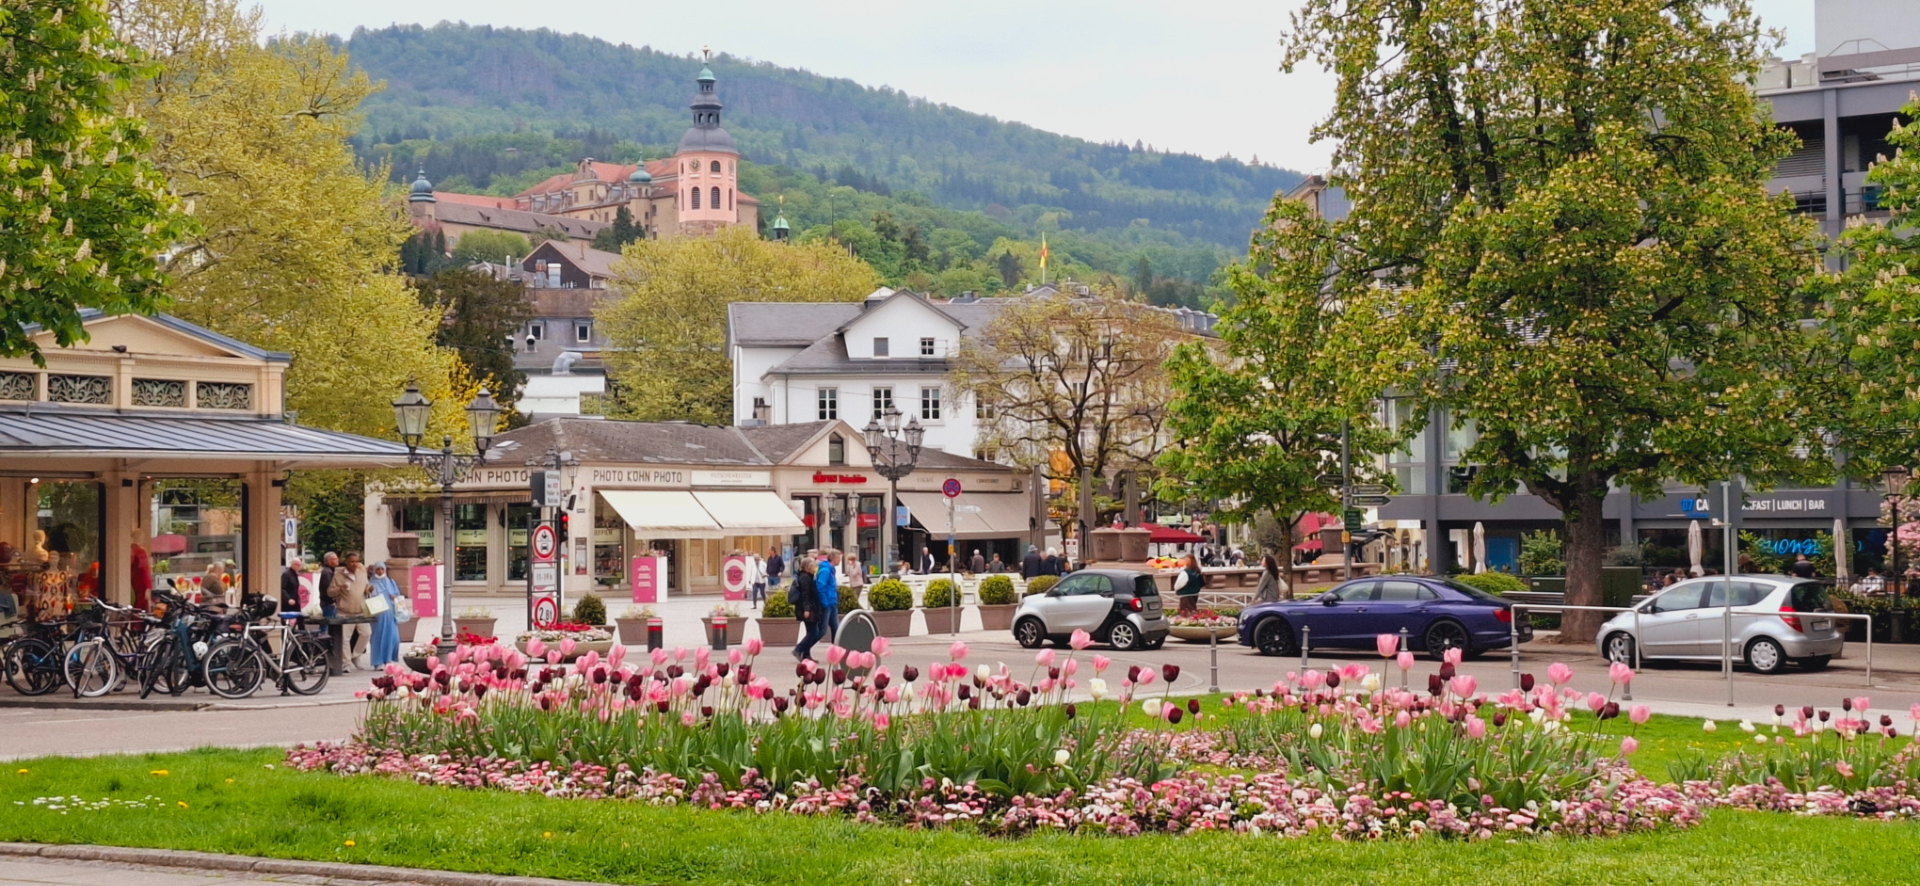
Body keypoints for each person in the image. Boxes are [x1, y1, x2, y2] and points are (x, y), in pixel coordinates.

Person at [328, 552, 371, 672]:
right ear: (346, 562)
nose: (354, 564)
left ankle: (356, 655)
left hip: (360, 611)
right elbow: (330, 592)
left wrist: (369, 589)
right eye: (352, 561)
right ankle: (346, 663)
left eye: (356, 561)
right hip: (344, 611)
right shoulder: (339, 576)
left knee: (366, 633)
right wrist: (340, 589)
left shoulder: (362, 573)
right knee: (345, 639)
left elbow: (365, 588)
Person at [367, 562, 404, 668]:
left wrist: (394, 597)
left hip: (391, 614)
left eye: (382, 569)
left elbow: (398, 595)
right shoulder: (371, 583)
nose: (380, 572)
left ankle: (388, 659)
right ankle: (378, 661)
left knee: (393, 637)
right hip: (379, 614)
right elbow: (368, 597)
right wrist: (370, 592)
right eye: (378, 569)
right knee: (379, 637)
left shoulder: (390, 582)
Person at [791, 557, 824, 661]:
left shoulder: (809, 576)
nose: (815, 568)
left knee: (811, 631)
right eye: (813, 566)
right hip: (807, 608)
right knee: (814, 632)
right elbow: (806, 595)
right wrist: (807, 609)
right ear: (808, 566)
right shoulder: (805, 577)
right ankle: (798, 649)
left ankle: (806, 655)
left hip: (811, 607)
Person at [817, 549, 840, 643]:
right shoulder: (826, 571)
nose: (839, 560)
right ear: (833, 558)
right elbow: (820, 587)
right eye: (838, 558)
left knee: (836, 628)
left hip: (832, 602)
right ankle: (803, 647)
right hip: (827, 604)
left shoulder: (831, 570)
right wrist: (825, 603)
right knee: (822, 630)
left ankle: (836, 648)